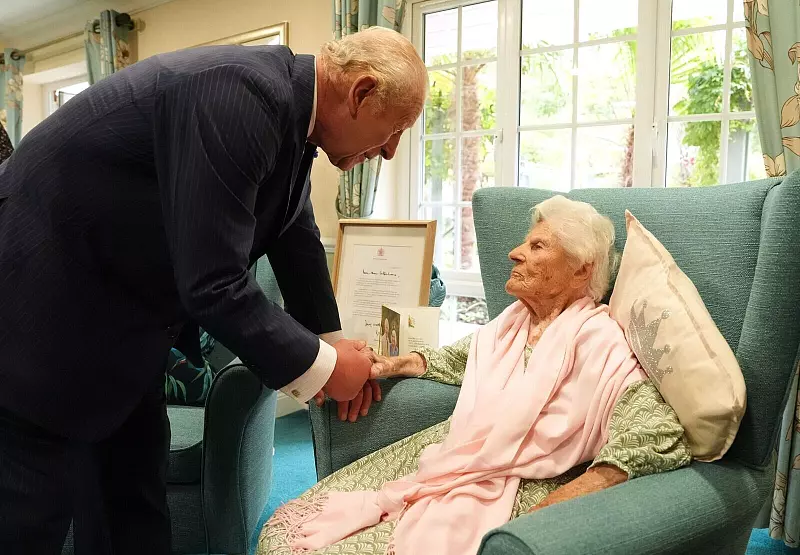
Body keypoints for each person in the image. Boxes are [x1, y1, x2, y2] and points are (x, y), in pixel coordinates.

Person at [0, 28, 427, 554]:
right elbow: (214, 283)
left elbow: (295, 237)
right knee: (26, 521)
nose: (391, 151)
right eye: (396, 129)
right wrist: (325, 369)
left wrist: (333, 342)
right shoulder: (238, 94)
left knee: (132, 512)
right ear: (361, 92)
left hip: (123, 331)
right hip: (35, 320)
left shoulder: (293, 120)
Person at [260, 196, 692, 555]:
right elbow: (454, 358)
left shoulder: (601, 340)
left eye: (537, 246)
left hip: (524, 480)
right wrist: (389, 364)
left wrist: (561, 505)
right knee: (291, 529)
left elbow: (655, 430)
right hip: (458, 455)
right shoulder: (511, 325)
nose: (515, 252)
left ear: (581, 269)